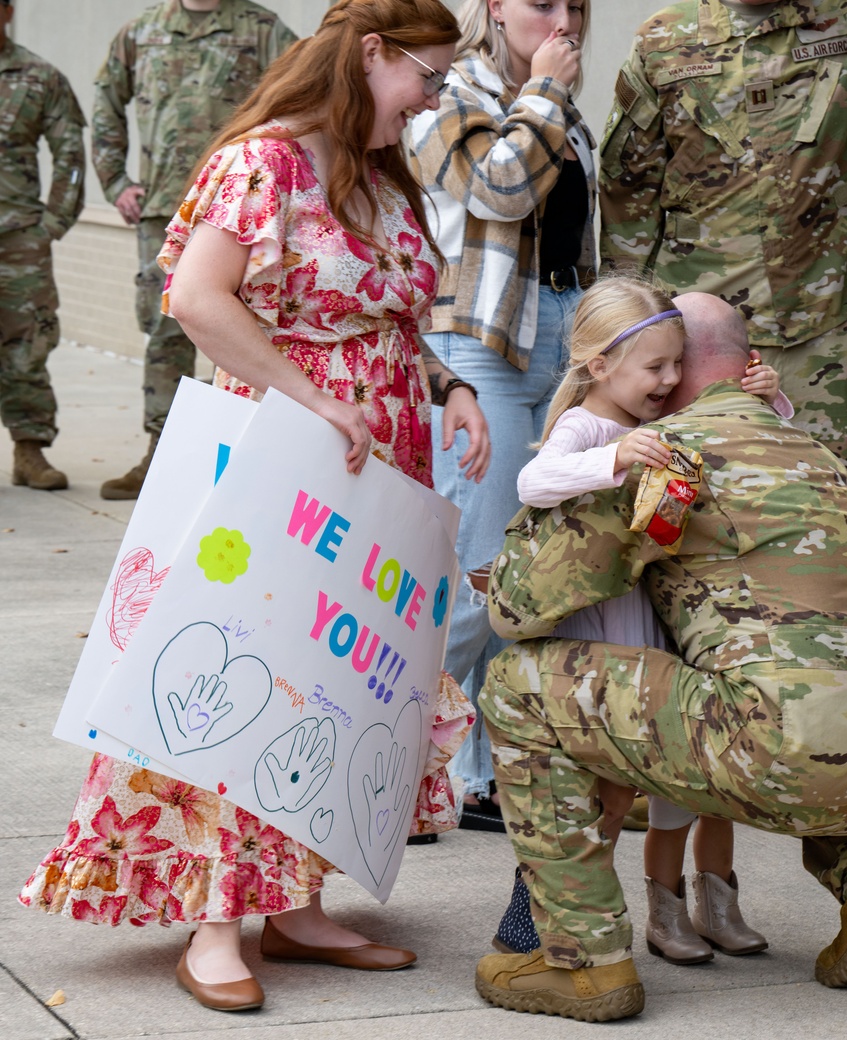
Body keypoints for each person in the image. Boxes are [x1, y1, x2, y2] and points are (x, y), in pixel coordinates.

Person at [20, 0, 489, 1014]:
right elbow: (197, 298)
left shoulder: (376, 172)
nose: (434, 98)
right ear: (372, 55)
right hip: (285, 463)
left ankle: (298, 901)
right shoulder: (263, 162)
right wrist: (316, 396)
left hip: (377, 467)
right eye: (429, 76)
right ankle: (216, 916)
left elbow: (394, 317)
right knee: (246, 672)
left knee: (331, 685)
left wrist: (448, 389)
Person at [474, 291, 847, 1022]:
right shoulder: (813, 447)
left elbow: (518, 605)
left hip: (778, 750)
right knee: (823, 694)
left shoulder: (667, 451)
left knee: (516, 684)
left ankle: (579, 962)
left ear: (670, 369)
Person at [492, 276, 784, 964]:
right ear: (600, 366)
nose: (671, 379)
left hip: (645, 628)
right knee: (591, 797)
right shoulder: (590, 426)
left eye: (677, 364)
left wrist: (769, 400)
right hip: (592, 631)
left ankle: (642, 909)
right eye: (656, 366)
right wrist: (612, 458)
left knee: (621, 794)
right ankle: (532, 916)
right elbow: (532, 483)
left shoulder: (654, 423)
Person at [599, 0, 847, 490]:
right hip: (699, 331)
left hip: (821, 324)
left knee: (826, 493)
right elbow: (628, 191)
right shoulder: (663, 42)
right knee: (692, 495)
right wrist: (627, 330)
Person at [409, 0, 597, 830]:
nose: (563, 18)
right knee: (478, 578)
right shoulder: (447, 92)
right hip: (481, 345)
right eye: (543, 3)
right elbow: (500, 190)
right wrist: (547, 96)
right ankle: (398, 755)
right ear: (495, 6)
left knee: (529, 573)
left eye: (577, 5)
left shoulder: (560, 101)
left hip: (562, 336)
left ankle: (480, 775)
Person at [92, 0, 298, 501]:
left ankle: (247, 453)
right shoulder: (142, 30)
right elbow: (105, 103)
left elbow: (302, 98)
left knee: (247, 328)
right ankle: (160, 452)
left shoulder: (262, 28)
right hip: (166, 205)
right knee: (167, 329)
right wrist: (115, 180)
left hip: (241, 210)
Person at [0, 0, 84, 490]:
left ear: (9, 12)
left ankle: (29, 451)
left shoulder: (38, 76)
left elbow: (70, 152)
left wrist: (53, 223)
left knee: (26, 345)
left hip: (18, 241)